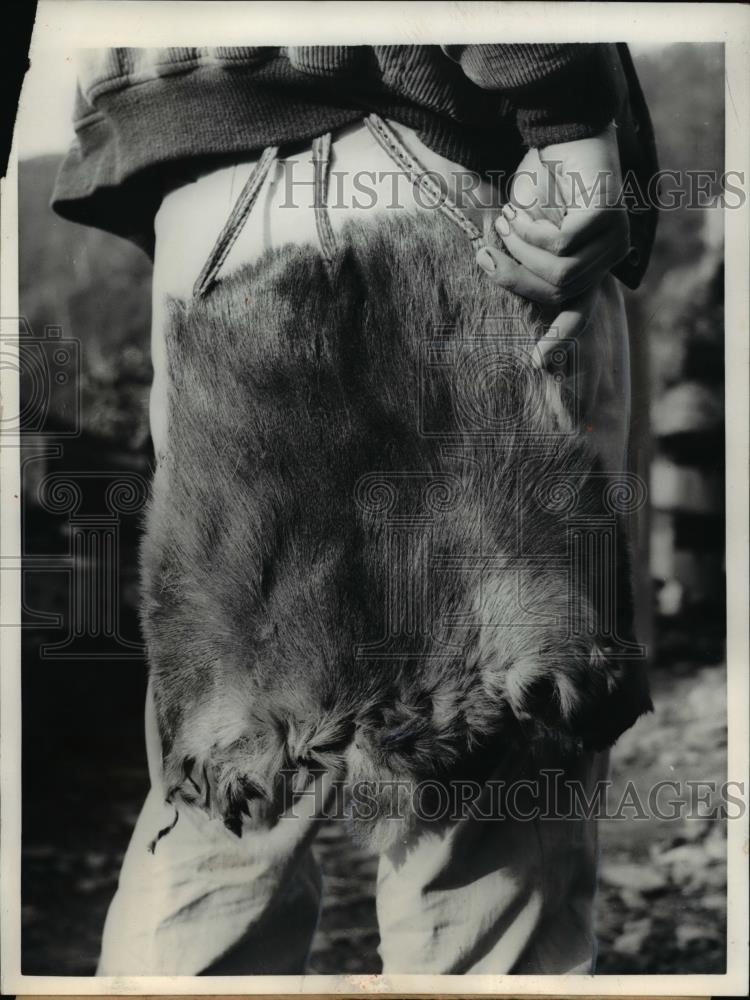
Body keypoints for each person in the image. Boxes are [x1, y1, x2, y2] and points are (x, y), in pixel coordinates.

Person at [52, 42, 658, 976]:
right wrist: (569, 119)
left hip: (212, 219)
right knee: (495, 822)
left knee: (224, 806)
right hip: (446, 201)